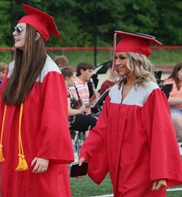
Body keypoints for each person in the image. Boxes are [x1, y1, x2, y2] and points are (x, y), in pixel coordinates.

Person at [78, 31, 182, 196]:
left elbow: (161, 135)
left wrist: (161, 171)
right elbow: (102, 129)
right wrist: (87, 153)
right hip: (119, 167)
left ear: (136, 59)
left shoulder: (150, 92)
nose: (116, 63)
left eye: (122, 58)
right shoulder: (115, 92)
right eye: (116, 57)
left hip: (142, 168)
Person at [0, 3, 74, 197]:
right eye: (14, 29)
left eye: (20, 30)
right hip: (12, 151)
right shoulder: (12, 69)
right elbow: (2, 109)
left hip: (37, 152)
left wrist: (46, 154)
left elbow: (55, 118)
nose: (14, 33)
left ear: (36, 36)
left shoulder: (49, 72)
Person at [61, 67, 97, 137]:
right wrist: (80, 110)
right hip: (69, 121)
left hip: (71, 118)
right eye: (73, 77)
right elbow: (68, 112)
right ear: (67, 78)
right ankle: (90, 145)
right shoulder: (65, 91)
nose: (75, 80)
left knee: (95, 118)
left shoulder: (66, 89)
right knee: (93, 121)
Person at [163, 62, 182, 141]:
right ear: (176, 72)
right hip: (172, 109)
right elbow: (165, 100)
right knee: (177, 120)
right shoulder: (169, 83)